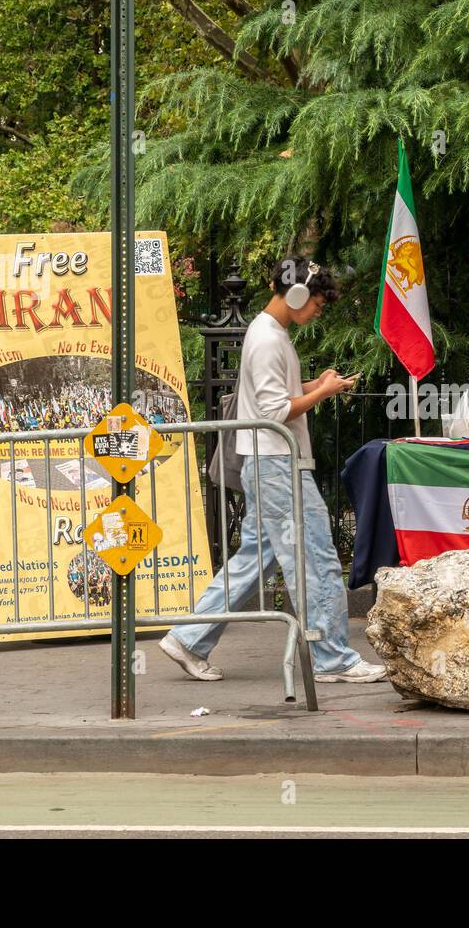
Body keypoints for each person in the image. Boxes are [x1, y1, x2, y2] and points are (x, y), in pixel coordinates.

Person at [160, 259, 386, 683]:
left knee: (255, 559)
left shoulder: (269, 333)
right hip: (278, 465)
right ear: (298, 295)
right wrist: (323, 393)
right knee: (316, 557)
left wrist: (316, 385)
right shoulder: (267, 339)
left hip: (268, 464)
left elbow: (275, 397)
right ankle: (334, 659)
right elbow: (274, 411)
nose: (318, 310)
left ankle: (188, 638)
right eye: (317, 302)